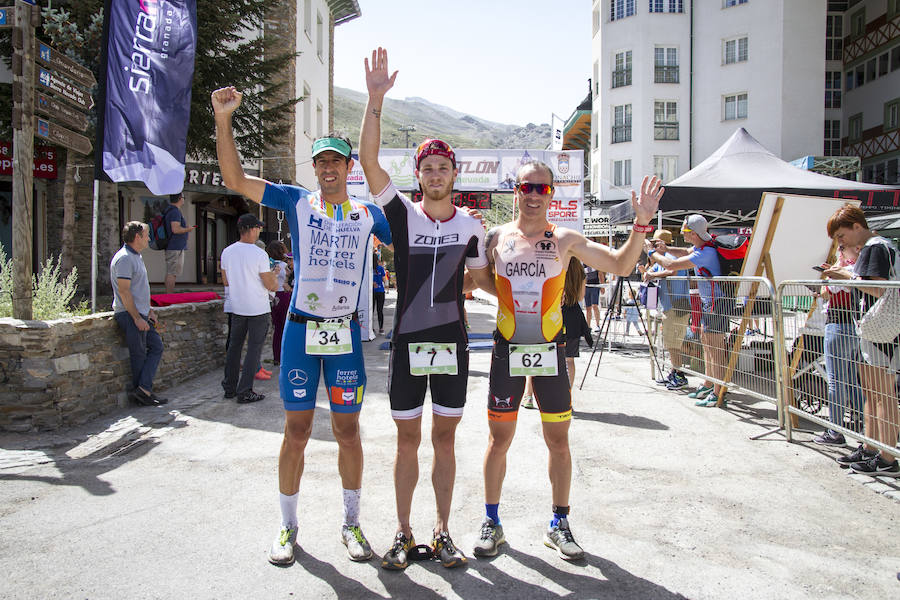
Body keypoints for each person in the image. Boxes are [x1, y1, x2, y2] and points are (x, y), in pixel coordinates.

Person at [213, 86, 392, 564]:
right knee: (296, 430)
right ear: (314, 168)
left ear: (349, 167)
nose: (329, 168)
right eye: (322, 162)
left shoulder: (368, 214)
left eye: (337, 161)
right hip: (300, 330)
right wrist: (223, 119)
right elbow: (233, 177)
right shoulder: (295, 201)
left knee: (348, 431)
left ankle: (352, 524)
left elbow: (412, 237)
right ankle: (287, 525)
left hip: (345, 335)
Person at [472, 161, 663, 561]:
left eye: (542, 188)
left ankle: (559, 523)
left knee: (558, 441)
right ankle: (492, 521)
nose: (534, 194)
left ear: (552, 193)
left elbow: (621, 265)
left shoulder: (565, 239)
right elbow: (474, 281)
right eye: (527, 187)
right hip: (507, 349)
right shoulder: (495, 237)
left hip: (550, 352)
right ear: (516, 191)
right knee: (498, 440)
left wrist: (642, 225)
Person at [361, 47, 495, 570]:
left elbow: (483, 279)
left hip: (453, 344)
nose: (436, 174)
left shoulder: (471, 227)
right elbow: (370, 162)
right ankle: (402, 532)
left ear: (455, 174)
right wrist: (375, 101)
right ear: (419, 175)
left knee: (444, 438)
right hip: (409, 344)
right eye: (428, 168)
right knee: (407, 439)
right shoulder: (401, 215)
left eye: (443, 167)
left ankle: (442, 531)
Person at [822, 205, 899, 477]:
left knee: (882, 394)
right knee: (871, 391)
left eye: (841, 236)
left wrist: (846, 275)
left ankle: (887, 457)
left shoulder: (876, 247)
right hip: (874, 330)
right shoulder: (875, 247)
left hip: (884, 332)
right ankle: (871, 447)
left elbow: (879, 289)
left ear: (857, 227)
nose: (840, 242)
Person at [647, 215, 729, 408]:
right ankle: (709, 385)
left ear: (693, 233)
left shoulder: (705, 252)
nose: (683, 235)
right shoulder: (703, 247)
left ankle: (718, 393)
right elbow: (684, 251)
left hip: (717, 303)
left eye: (684, 232)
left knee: (715, 350)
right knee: (707, 345)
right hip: (710, 303)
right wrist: (666, 249)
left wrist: (652, 253)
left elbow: (672, 265)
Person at [220, 213, 279, 404]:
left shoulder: (227, 252)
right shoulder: (259, 254)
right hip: (257, 307)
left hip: (237, 306)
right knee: (254, 349)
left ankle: (229, 387)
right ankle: (245, 390)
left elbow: (226, 280)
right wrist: (274, 276)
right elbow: (271, 285)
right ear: (252, 229)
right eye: (258, 228)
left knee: (234, 347)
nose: (259, 231)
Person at [110, 221, 167, 407]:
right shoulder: (125, 258)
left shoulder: (136, 257)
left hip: (141, 313)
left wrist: (148, 310)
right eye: (146, 235)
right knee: (139, 354)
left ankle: (143, 389)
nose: (149, 238)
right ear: (137, 237)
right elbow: (124, 291)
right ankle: (143, 392)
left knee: (156, 347)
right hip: (129, 314)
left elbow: (137, 289)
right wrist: (136, 317)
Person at [643, 229, 691, 390]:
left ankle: (679, 375)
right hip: (669, 306)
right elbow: (651, 271)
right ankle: (674, 372)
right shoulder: (662, 259)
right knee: (670, 342)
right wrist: (649, 269)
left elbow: (672, 271)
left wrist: (653, 275)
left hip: (675, 307)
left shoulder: (671, 257)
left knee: (673, 343)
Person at [562, 257, 593, 391]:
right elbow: (581, 297)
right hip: (574, 315)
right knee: (570, 359)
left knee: (553, 357)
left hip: (557, 313)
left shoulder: (558, 268)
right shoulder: (580, 272)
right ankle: (568, 392)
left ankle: (555, 393)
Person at [163, 193, 197, 294]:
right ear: (179, 199)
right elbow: (175, 229)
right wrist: (188, 229)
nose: (184, 199)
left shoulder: (170, 210)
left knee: (172, 272)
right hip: (175, 246)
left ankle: (169, 294)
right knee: (172, 272)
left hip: (173, 246)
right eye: (183, 197)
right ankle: (169, 295)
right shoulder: (175, 211)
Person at [267, 240, 291, 366]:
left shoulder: (268, 265)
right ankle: (286, 356)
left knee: (277, 328)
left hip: (272, 297)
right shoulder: (284, 266)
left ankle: (277, 356)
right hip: (283, 295)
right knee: (286, 327)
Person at [584, 264, 602, 330]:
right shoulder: (583, 264)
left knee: (595, 306)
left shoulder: (594, 262)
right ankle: (588, 326)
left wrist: (602, 286)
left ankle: (597, 325)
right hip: (587, 287)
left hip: (595, 286)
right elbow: (583, 276)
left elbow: (600, 273)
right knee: (588, 308)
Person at [373, 256, 387, 335]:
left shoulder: (369, 268)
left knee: (371, 311)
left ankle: (371, 328)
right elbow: (384, 280)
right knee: (380, 310)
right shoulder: (380, 268)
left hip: (372, 292)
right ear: (377, 260)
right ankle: (381, 328)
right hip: (380, 291)